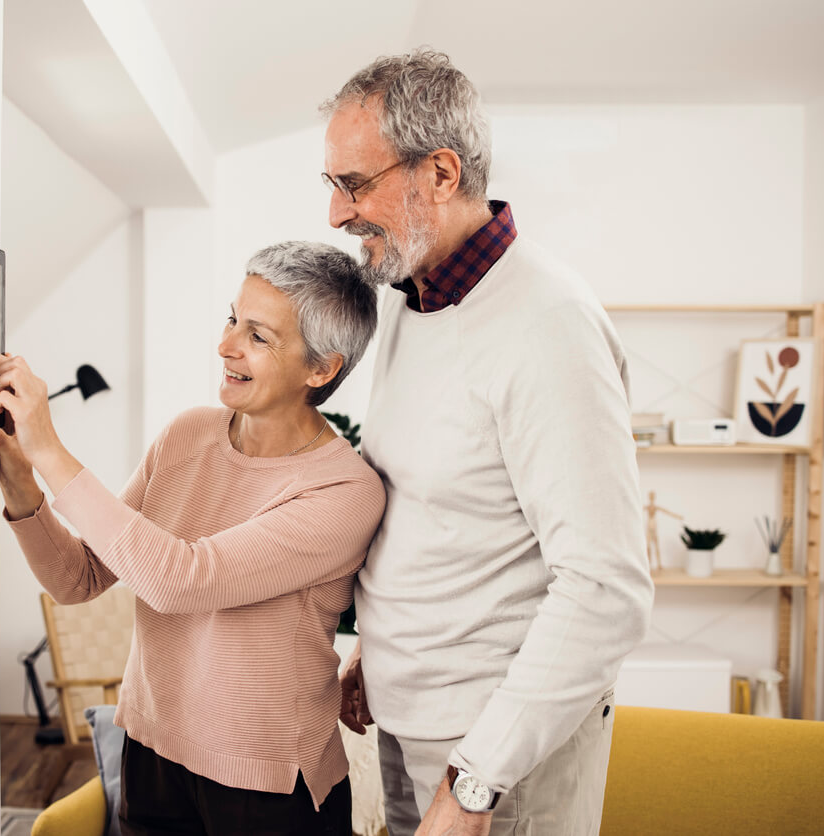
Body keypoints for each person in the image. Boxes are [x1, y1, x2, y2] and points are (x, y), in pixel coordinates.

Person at [320, 50, 655, 836]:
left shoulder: (549, 326)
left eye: (354, 184)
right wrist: (380, 653)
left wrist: (476, 783)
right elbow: (440, 510)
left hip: (499, 764)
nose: (335, 216)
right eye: (329, 186)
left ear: (439, 173)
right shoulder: (410, 299)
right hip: (409, 727)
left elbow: (605, 590)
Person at [0, 241, 385, 836]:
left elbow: (181, 579)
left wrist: (49, 448)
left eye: (258, 336)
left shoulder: (345, 492)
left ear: (321, 369)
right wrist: (22, 483)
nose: (226, 346)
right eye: (231, 319)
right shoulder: (187, 435)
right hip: (151, 750)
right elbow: (78, 578)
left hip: (267, 784)